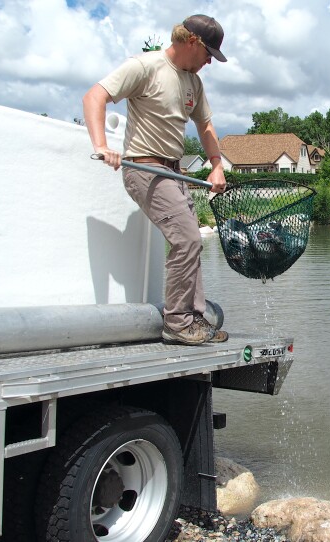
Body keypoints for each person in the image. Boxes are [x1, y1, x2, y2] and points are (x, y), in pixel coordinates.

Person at [83, 14, 229, 345]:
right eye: (209, 54)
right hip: (145, 169)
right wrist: (102, 145)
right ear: (192, 41)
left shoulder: (193, 82)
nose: (209, 62)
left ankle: (195, 317)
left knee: (193, 242)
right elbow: (95, 96)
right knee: (188, 239)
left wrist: (217, 165)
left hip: (174, 172)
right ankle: (177, 322)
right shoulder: (145, 67)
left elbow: (204, 125)